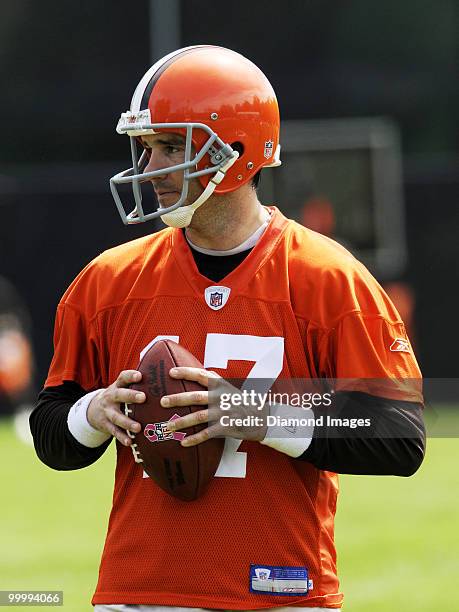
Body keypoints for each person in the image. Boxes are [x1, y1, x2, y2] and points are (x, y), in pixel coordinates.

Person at [30, 45, 425, 611]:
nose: (149, 169)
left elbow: (400, 436)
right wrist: (93, 413)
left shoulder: (327, 278)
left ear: (235, 150)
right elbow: (51, 434)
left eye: (170, 146)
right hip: (139, 590)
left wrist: (257, 415)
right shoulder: (108, 281)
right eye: (145, 149)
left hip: (282, 592)